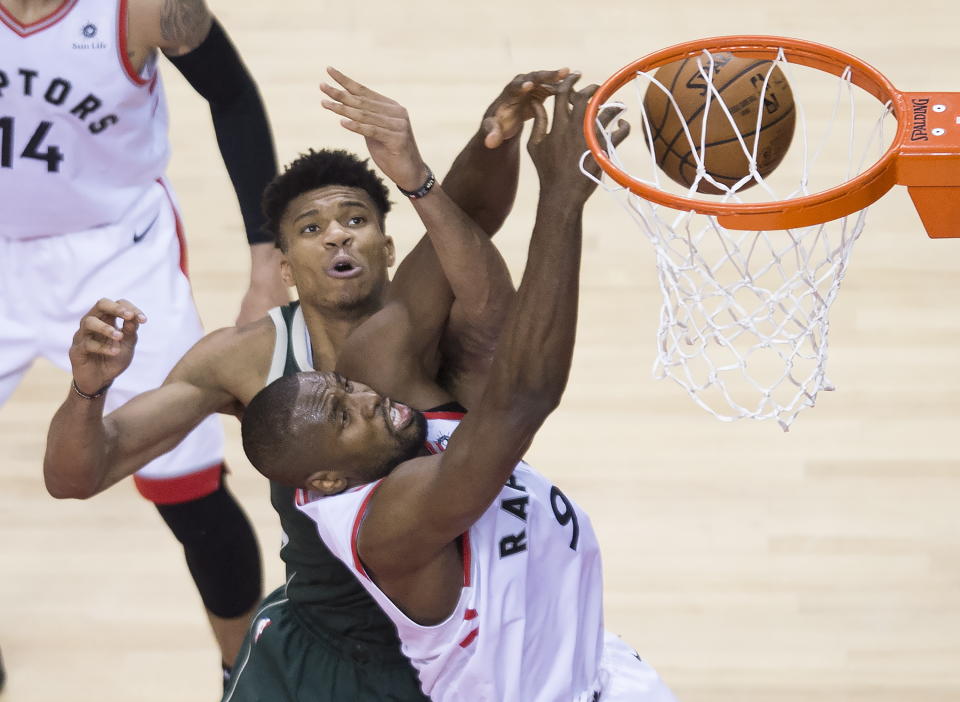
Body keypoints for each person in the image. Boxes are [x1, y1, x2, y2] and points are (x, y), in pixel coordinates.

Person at [44, 66, 569, 700]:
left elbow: (472, 217)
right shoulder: (243, 357)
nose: (337, 236)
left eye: (355, 220)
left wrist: (495, 136)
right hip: (323, 640)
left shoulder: (420, 323)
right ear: (286, 265)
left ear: (388, 245)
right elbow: (77, 475)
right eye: (311, 230)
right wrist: (87, 389)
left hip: (460, 642)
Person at [240, 76, 675, 702]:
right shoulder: (391, 522)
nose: (366, 396)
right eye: (344, 415)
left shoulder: (378, 417)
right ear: (330, 480)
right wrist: (561, 198)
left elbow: (459, 236)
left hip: (598, 669)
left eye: (344, 387)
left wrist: (480, 144)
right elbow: (523, 397)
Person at [1, 0, 285, 681]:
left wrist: (266, 260)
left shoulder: (148, 9)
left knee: (188, 491)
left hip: (118, 260)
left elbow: (234, 95)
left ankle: (245, 678)